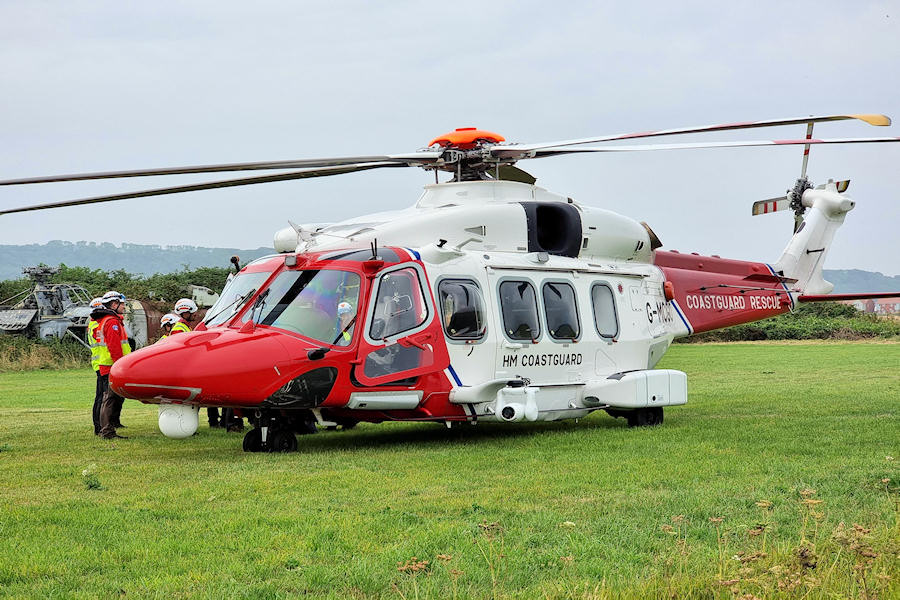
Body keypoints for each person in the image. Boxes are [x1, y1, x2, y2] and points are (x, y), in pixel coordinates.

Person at [96, 291, 132, 439]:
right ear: (113, 304)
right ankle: (107, 431)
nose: (124, 307)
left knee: (110, 399)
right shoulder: (111, 322)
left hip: (110, 366)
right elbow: (114, 347)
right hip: (112, 366)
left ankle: (107, 429)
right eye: (122, 304)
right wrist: (121, 365)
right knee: (109, 400)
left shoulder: (108, 320)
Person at [87, 297, 105, 435]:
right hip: (101, 364)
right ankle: (98, 426)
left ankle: (101, 425)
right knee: (100, 397)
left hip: (99, 363)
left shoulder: (93, 324)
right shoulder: (96, 326)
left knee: (101, 396)